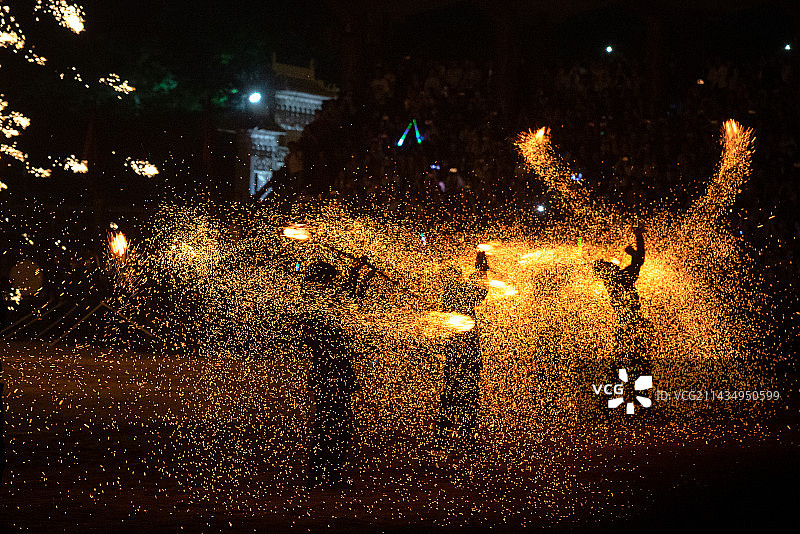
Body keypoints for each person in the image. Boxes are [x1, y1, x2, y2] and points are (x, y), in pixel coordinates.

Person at [300, 261, 359, 488]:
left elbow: (347, 303)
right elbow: (348, 305)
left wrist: (357, 273)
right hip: (330, 372)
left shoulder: (314, 304)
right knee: (334, 425)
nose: (332, 284)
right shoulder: (318, 307)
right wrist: (357, 274)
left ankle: (324, 472)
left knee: (332, 423)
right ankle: (324, 473)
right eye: (330, 279)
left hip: (329, 371)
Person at [435, 259, 488, 452]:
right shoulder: (457, 294)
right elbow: (480, 292)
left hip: (457, 354)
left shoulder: (450, 294)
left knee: (452, 394)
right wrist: (481, 269)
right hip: (465, 355)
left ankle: (444, 436)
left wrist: (480, 271)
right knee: (466, 395)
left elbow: (477, 291)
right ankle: (464, 436)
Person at [592, 226, 652, 377]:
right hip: (633, 327)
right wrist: (636, 244)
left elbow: (639, 260)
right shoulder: (620, 279)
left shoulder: (614, 279)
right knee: (636, 363)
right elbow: (640, 260)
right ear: (607, 271)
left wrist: (635, 250)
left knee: (624, 363)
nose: (612, 263)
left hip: (626, 327)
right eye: (608, 264)